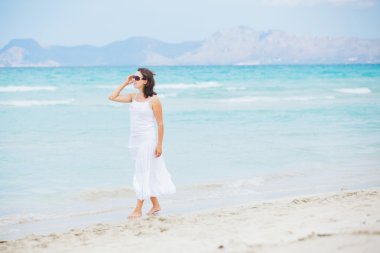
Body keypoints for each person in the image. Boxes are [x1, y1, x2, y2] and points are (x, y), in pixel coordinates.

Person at [108, 68, 176, 219]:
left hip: (148, 140)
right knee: (147, 171)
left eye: (137, 78)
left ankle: (138, 209)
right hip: (135, 140)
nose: (134, 80)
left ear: (145, 81)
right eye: (134, 77)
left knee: (142, 172)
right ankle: (156, 205)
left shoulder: (154, 100)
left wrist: (159, 145)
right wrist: (125, 83)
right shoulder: (133, 97)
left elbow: (160, 124)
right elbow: (112, 97)